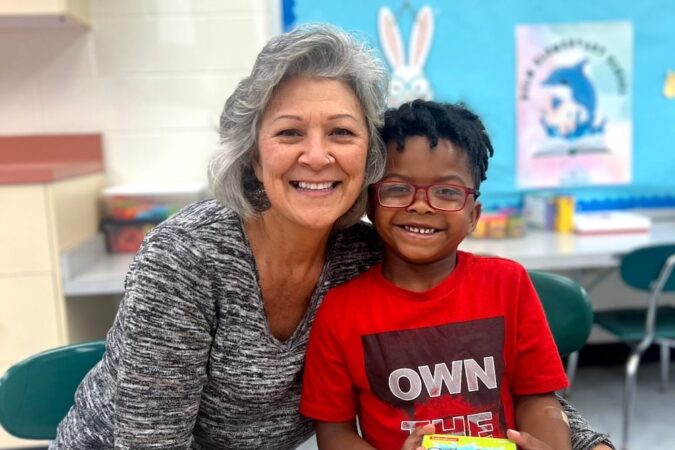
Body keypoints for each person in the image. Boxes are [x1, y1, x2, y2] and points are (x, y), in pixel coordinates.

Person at [51, 24, 613, 450]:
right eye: (290, 132)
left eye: (341, 132)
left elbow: (504, 380)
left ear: (368, 158)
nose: (317, 156)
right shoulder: (186, 259)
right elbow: (149, 442)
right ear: (254, 155)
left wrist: (591, 445)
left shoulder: (367, 256)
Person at [299, 101, 608, 450]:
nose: (420, 205)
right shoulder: (340, 310)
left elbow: (538, 398)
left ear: (473, 215)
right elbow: (334, 431)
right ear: (371, 203)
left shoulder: (508, 284)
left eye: (446, 192)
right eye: (397, 188)